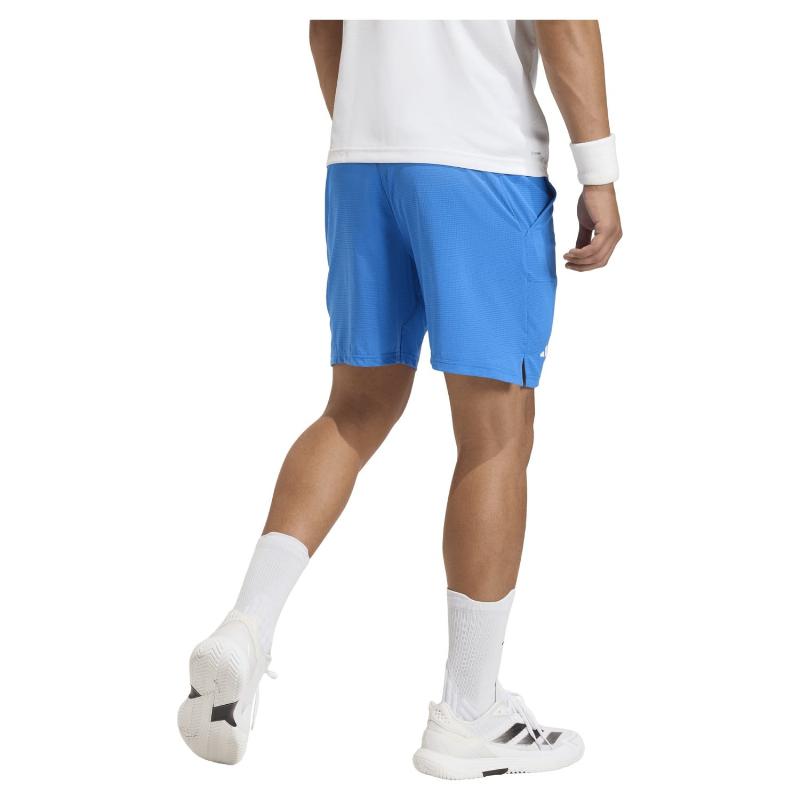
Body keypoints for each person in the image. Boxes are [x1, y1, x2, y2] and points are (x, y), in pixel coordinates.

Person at [178, 19, 622, 779]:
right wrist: (601, 175)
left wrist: (374, 132)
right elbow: (565, 24)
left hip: (363, 168)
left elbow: (326, 27)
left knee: (354, 410)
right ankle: (470, 713)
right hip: (480, 162)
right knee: (497, 435)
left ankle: (246, 625)